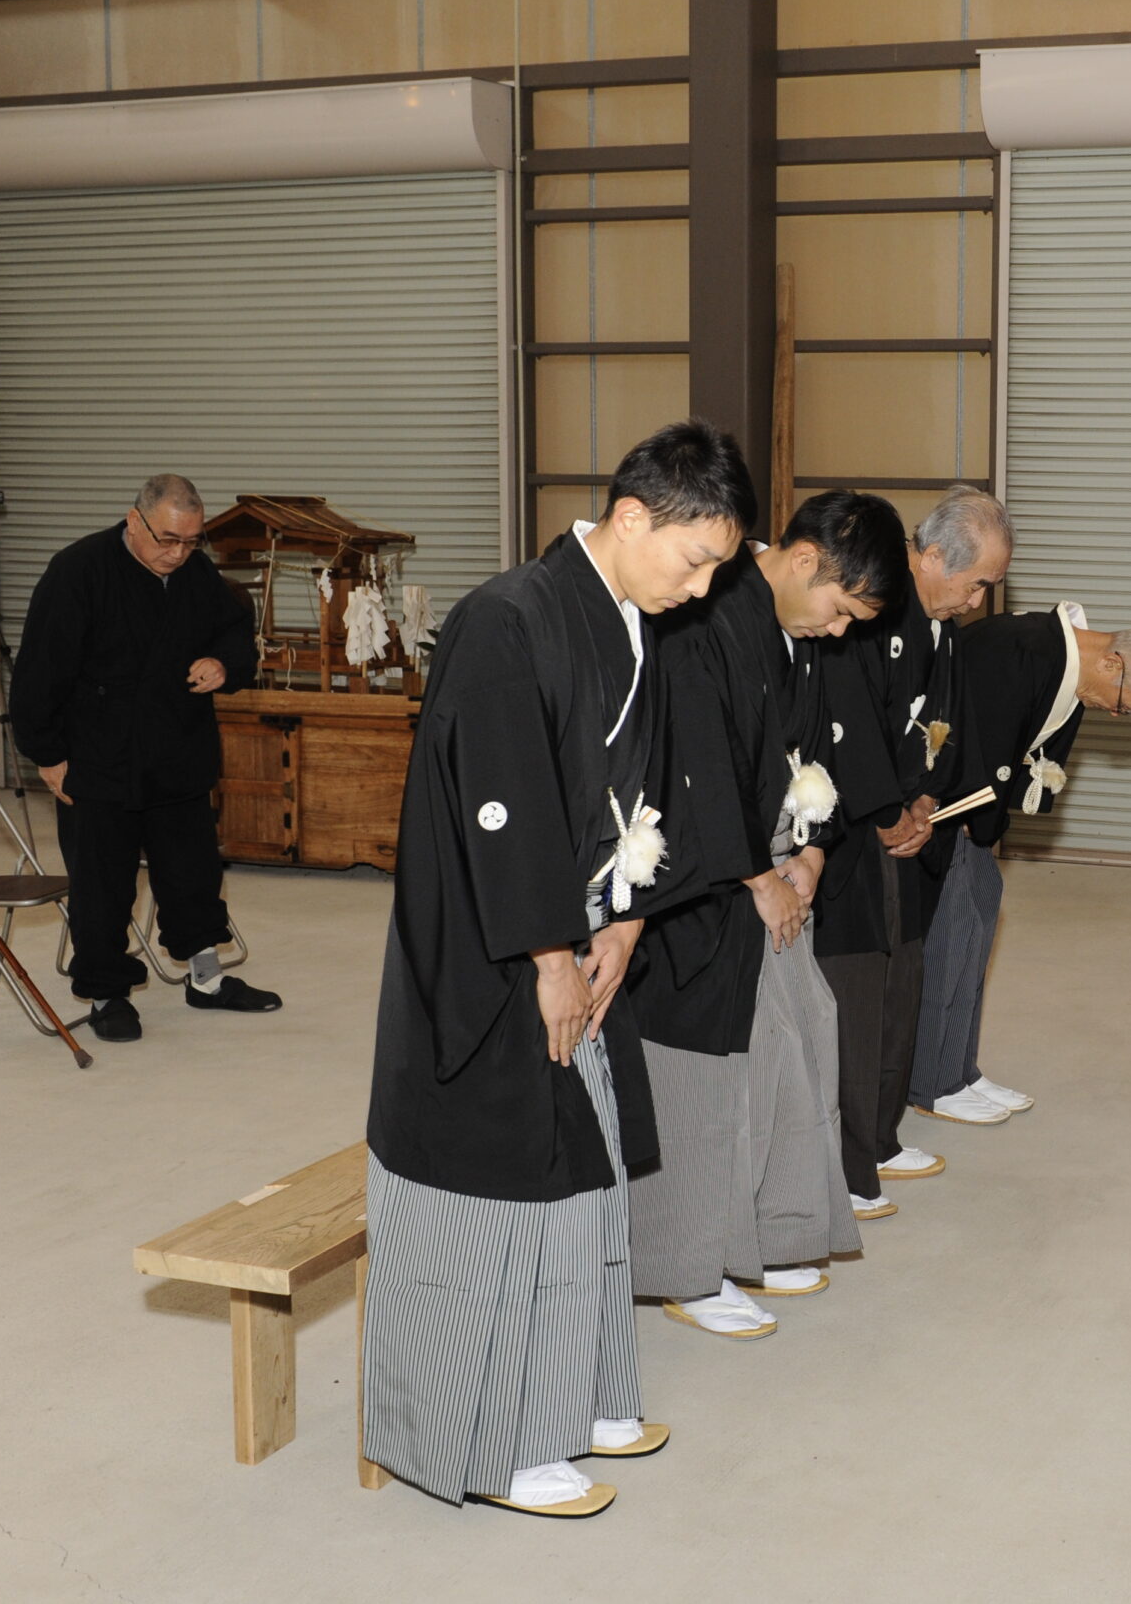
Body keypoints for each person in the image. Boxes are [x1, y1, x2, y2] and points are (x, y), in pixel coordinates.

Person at [361, 419, 750, 1517]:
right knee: (505, 1187)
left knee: (588, 1175)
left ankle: (579, 1396)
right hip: (492, 952)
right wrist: (544, 955)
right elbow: (503, 805)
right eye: (696, 559)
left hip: (581, 936)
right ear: (632, 517)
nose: (705, 585)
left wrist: (625, 920)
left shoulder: (632, 617)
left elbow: (640, 797)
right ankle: (494, 1439)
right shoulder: (506, 618)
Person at [627, 491, 906, 1339]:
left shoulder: (794, 629)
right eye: (840, 608)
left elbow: (817, 746)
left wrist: (815, 846)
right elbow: (696, 763)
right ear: (806, 560)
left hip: (775, 867)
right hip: (705, 889)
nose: (838, 629)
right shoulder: (707, 616)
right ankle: (688, 1262)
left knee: (795, 1044)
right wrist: (759, 874)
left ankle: (768, 1232)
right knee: (709, 1078)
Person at [10, 475, 280, 1042]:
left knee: (193, 878)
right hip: (98, 758)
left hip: (178, 752)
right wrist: (48, 754)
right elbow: (40, 667)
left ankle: (206, 981)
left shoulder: (195, 574)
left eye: (191, 542)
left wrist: (223, 665)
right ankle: (108, 993)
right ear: (134, 521)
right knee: (102, 885)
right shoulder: (78, 571)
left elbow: (236, 634)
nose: (177, 554)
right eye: (167, 540)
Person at [813, 485, 1014, 1217]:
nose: (979, 599)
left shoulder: (938, 625)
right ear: (930, 556)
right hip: (855, 828)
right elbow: (846, 715)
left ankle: (882, 1133)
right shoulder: (870, 604)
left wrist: (928, 795)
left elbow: (945, 717)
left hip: (906, 818)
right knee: (859, 992)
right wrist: (883, 808)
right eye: (977, 582)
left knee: (904, 979)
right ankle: (846, 1150)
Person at [912, 606, 1131, 1126]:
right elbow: (973, 742)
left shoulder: (1063, 661)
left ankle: (959, 1070)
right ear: (1113, 664)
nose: (1114, 715)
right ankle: (932, 1082)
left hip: (974, 820)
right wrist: (978, 822)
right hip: (943, 812)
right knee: (952, 938)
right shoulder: (1022, 649)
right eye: (1125, 707)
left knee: (978, 928)